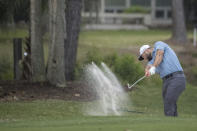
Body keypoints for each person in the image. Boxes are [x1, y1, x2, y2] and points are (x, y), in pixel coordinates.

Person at [138, 41, 186, 117]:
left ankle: (169, 123)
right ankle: (174, 123)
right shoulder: (153, 60)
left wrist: (153, 67)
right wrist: (147, 70)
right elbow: (150, 65)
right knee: (169, 102)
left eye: (143, 56)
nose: (144, 58)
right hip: (166, 81)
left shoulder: (159, 44)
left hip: (177, 78)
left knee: (169, 100)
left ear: (146, 51)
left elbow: (159, 54)